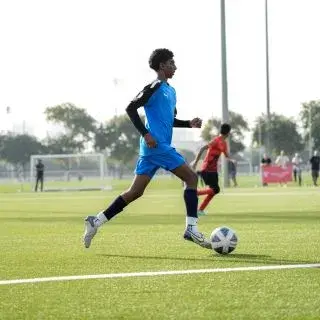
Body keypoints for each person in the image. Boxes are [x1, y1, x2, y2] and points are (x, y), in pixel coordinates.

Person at [83, 48, 211, 250]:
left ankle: (95, 221)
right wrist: (146, 133)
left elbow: (168, 120)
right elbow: (130, 108)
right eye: (171, 63)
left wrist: (189, 124)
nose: (175, 67)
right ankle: (191, 228)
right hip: (157, 145)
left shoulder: (171, 91)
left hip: (153, 148)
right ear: (162, 66)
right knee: (192, 179)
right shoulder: (155, 86)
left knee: (135, 192)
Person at [191, 124, 234, 216]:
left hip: (213, 171)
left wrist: (232, 160)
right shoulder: (216, 141)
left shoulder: (224, 143)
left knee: (214, 190)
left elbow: (226, 155)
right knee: (215, 189)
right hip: (206, 169)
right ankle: (196, 193)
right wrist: (195, 162)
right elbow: (203, 148)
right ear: (228, 133)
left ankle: (200, 210)